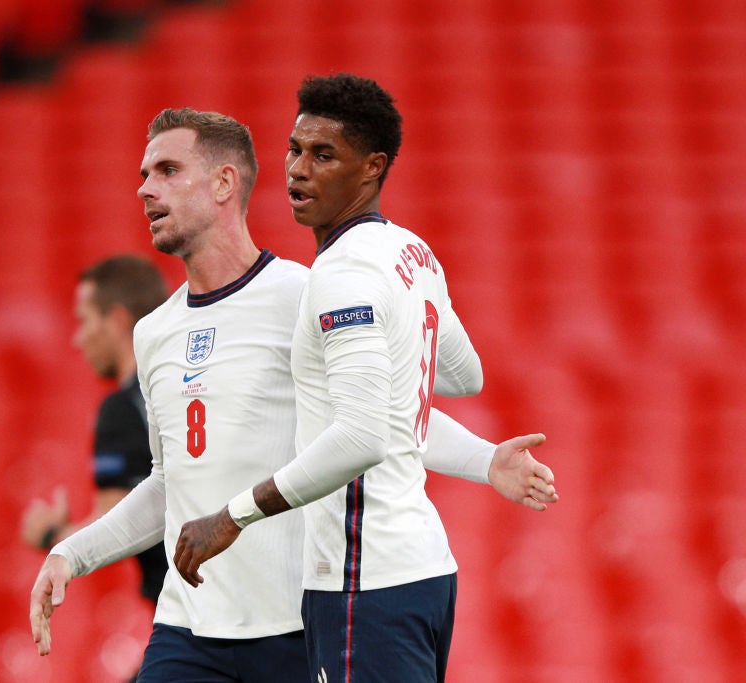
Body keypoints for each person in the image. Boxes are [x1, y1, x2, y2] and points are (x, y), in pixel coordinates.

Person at [30, 107, 557, 683]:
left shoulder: (305, 296)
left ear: (224, 184)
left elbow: (381, 414)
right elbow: (167, 485)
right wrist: (72, 553)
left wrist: (484, 460)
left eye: (167, 170)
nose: (145, 189)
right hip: (186, 632)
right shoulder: (154, 333)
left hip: (296, 632)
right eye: (144, 174)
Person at [173, 74, 557, 682]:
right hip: (422, 574)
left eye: (324, 155)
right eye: (295, 149)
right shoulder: (413, 253)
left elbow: (362, 436)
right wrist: (486, 461)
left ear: (373, 167)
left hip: (364, 584)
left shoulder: (343, 274)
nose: (297, 169)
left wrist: (232, 517)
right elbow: (460, 374)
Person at [20, 255, 170, 622]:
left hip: (188, 621)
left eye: (84, 320)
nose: (77, 338)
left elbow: (115, 523)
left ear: (116, 320)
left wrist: (52, 535)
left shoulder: (121, 409)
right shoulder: (184, 391)